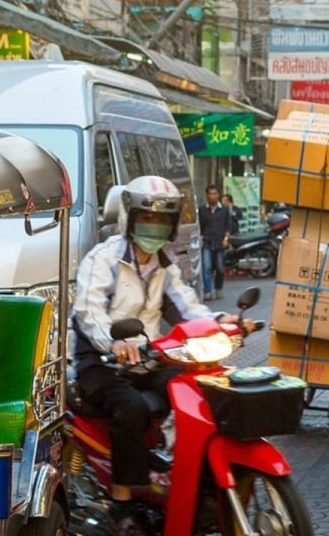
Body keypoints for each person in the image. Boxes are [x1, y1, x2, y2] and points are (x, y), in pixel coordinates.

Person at [72, 176, 224, 504]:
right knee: (131, 407)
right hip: (100, 364)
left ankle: (174, 469)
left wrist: (220, 323)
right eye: (148, 218)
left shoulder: (164, 265)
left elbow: (187, 305)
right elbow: (89, 311)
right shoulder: (103, 259)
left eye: (162, 220)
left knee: (197, 391)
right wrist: (112, 342)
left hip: (149, 358)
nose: (154, 226)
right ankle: (123, 501)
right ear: (131, 217)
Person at [196, 184, 232, 301]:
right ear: (207, 195)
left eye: (215, 193)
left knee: (220, 268)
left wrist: (226, 239)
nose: (213, 196)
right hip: (206, 241)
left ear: (218, 195)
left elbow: (228, 226)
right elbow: (199, 227)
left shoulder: (224, 210)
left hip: (220, 242)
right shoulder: (202, 210)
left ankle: (218, 288)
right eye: (210, 194)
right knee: (206, 267)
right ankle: (207, 290)